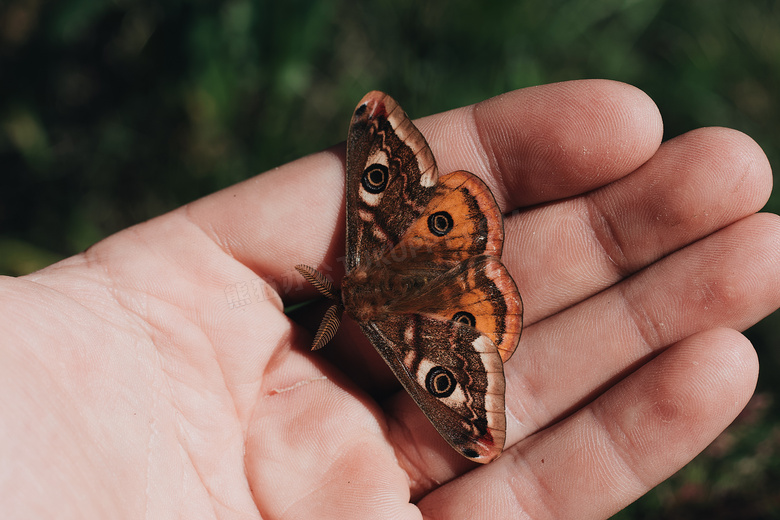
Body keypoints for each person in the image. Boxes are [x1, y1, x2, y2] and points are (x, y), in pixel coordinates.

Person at [1, 80, 777, 519]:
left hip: (398, 302)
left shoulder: (366, 301)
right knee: (440, 358)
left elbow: (376, 149)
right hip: (409, 276)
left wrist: (372, 141)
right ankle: (455, 292)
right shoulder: (369, 297)